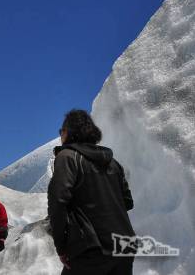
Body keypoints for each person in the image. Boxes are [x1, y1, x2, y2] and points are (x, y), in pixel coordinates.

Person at [48, 109, 135, 275]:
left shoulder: (68, 157)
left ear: (69, 132)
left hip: (91, 248)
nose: (60, 135)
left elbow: (57, 202)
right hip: (125, 245)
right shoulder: (113, 163)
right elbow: (128, 202)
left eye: (62, 131)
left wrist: (61, 247)